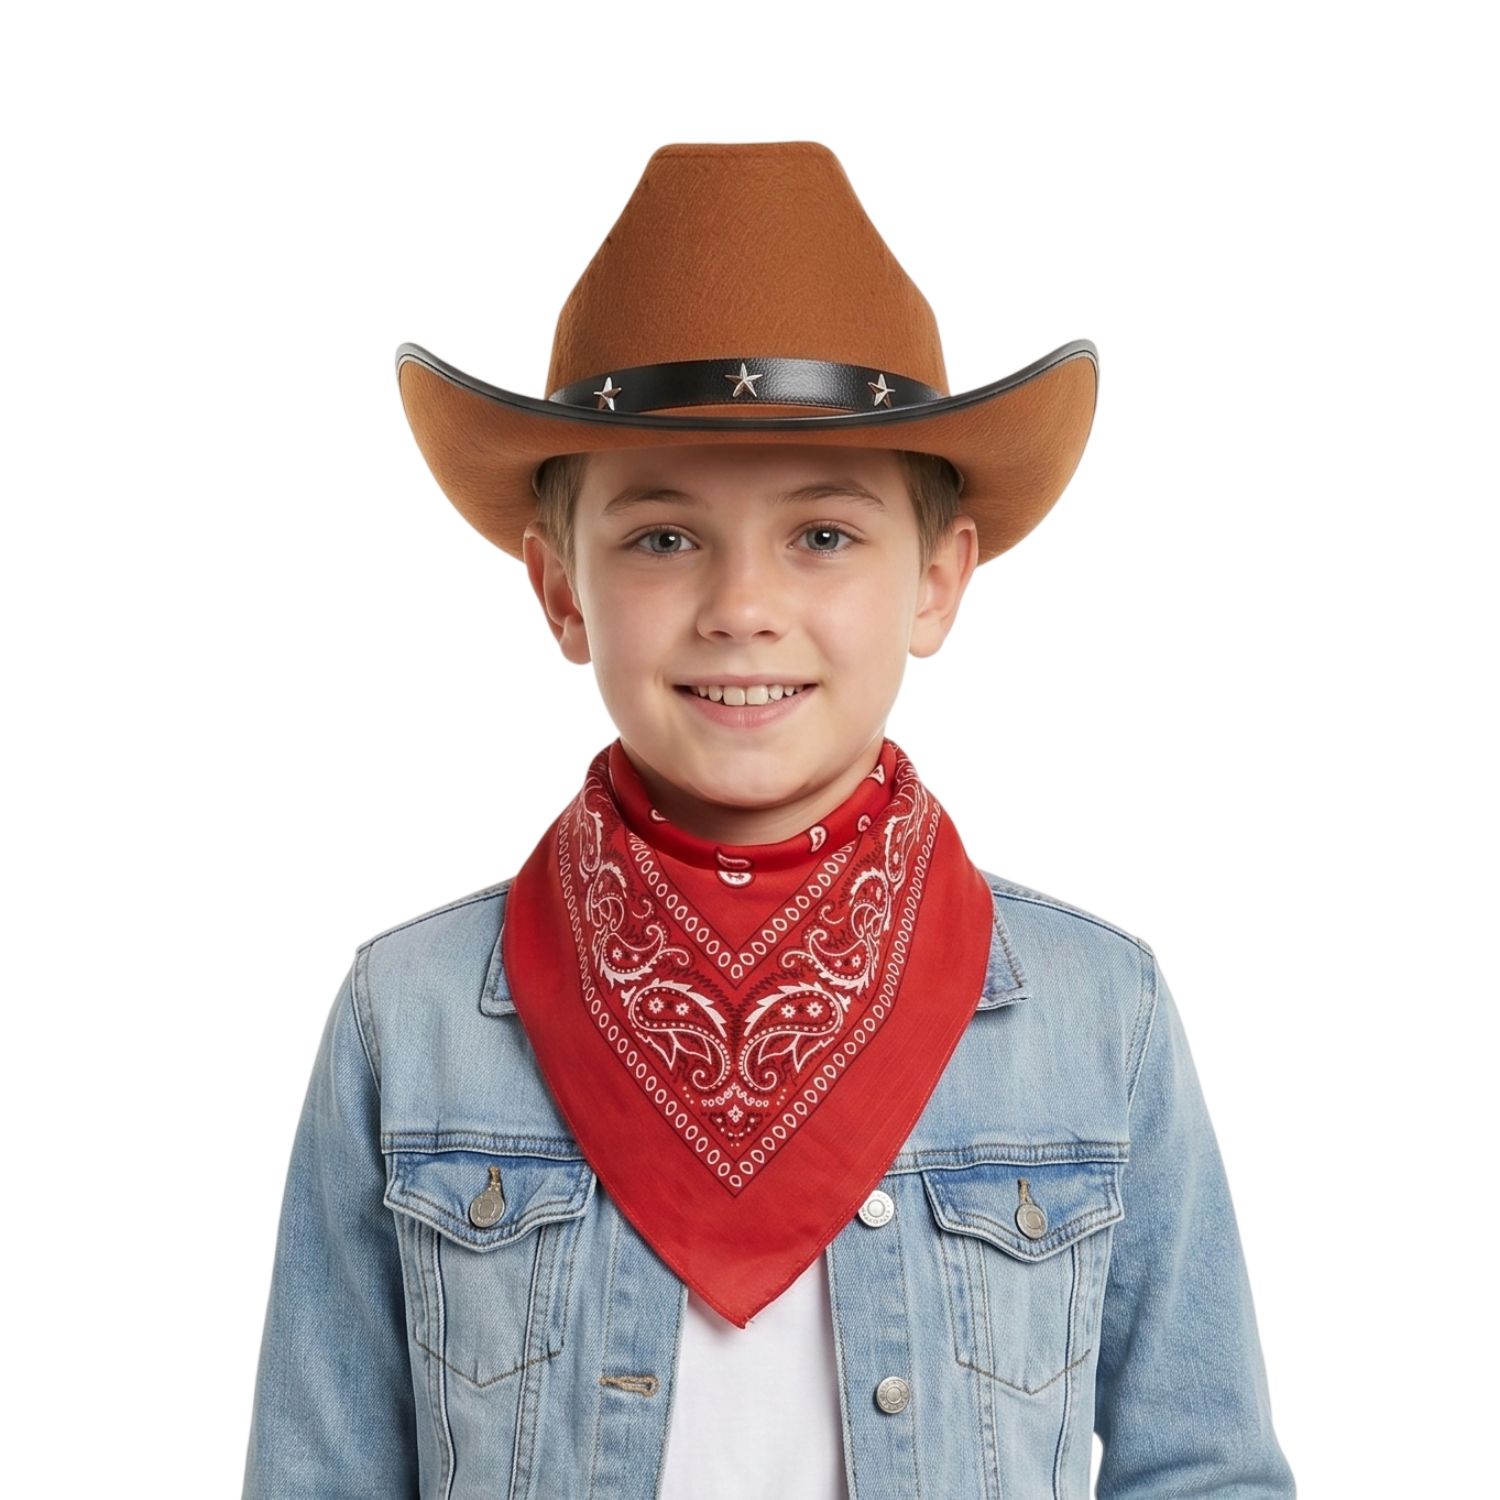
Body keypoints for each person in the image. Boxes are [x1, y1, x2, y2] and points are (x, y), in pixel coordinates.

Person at [242, 140, 1296, 1499]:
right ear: (561, 591)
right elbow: (317, 1475)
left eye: (823, 536)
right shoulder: (414, 1018)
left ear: (937, 582)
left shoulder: (1101, 1018)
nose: (743, 606)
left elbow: (1203, 1469)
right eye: (663, 538)